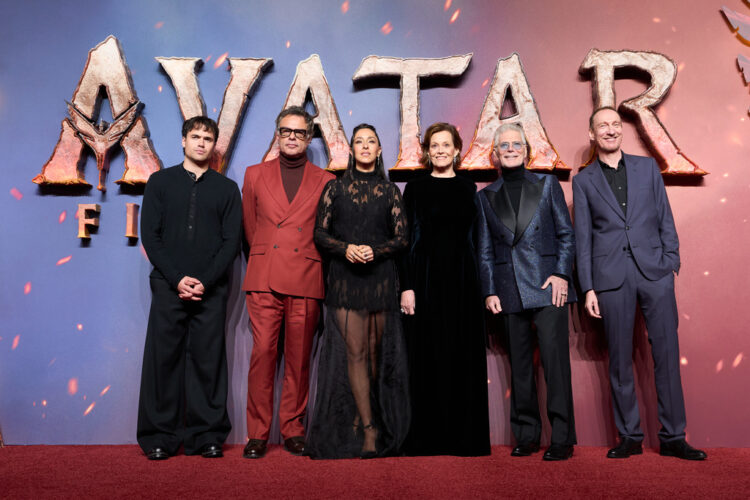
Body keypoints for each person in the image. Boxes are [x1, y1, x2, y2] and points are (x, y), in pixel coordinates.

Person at [573, 106, 706, 460]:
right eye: (603, 126)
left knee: (667, 355)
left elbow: (665, 217)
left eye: (615, 124)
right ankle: (630, 436)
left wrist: (671, 261)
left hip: (654, 273)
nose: (610, 130)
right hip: (610, 277)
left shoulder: (647, 168)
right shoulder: (583, 181)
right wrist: (588, 287)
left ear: (622, 130)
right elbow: (583, 239)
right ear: (592, 134)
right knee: (619, 360)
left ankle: (673, 436)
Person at [137, 116, 241, 460]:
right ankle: (158, 437)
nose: (201, 143)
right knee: (162, 362)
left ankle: (207, 436)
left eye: (207, 139)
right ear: (184, 140)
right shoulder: (160, 182)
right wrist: (177, 279)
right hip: (168, 286)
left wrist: (205, 281)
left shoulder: (227, 189)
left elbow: (231, 242)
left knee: (208, 363)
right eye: (195, 136)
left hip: (211, 289)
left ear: (214, 146)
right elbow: (150, 236)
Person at [307, 124, 410, 459]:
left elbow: (402, 238)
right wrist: (346, 248)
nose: (365, 146)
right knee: (355, 352)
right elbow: (320, 234)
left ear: (379, 150)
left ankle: (360, 413)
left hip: (379, 280)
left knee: (375, 355)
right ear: (351, 150)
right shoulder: (334, 188)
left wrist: (374, 251)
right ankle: (369, 429)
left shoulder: (390, 191)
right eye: (359, 142)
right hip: (345, 280)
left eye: (371, 141)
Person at [476, 123, 577, 461]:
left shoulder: (547, 184)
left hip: (549, 287)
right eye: (504, 145)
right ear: (495, 154)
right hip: (508, 289)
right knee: (520, 368)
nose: (510, 149)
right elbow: (484, 250)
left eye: (516, 144)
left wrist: (561, 274)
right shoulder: (484, 197)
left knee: (555, 366)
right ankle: (527, 435)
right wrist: (489, 290)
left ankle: (561, 438)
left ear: (526, 150)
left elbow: (566, 235)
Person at [241, 106, 335, 458]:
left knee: (299, 359)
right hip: (264, 277)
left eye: (299, 132)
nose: (292, 137)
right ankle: (257, 434)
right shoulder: (254, 174)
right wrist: (266, 256)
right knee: (262, 355)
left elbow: (326, 231)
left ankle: (293, 429)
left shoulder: (326, 180)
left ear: (309, 138)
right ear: (277, 134)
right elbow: (251, 228)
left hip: (305, 276)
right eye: (286, 131)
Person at [399, 122, 491, 456]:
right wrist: (407, 287)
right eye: (434, 145)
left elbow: (477, 240)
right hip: (424, 281)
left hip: (463, 282)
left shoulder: (469, 188)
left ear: (456, 150)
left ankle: (463, 439)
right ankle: (426, 438)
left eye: (445, 145)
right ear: (427, 151)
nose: (440, 150)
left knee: (461, 357)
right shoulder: (415, 188)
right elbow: (406, 241)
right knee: (426, 357)